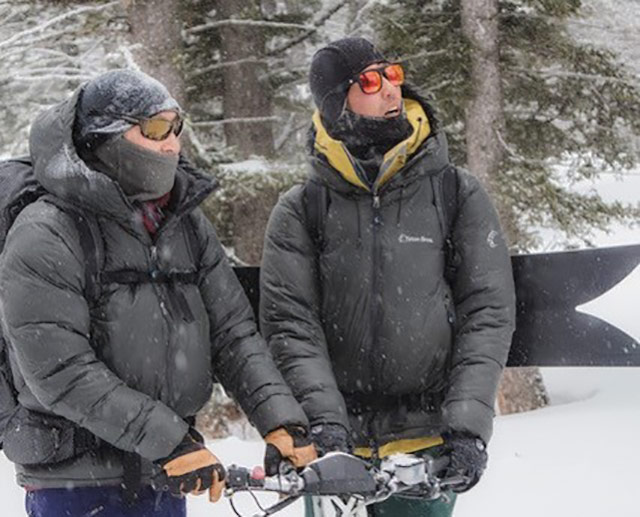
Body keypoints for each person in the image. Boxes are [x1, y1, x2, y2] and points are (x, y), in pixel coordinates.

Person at [0, 69, 316, 517]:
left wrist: (280, 420)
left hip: (166, 472)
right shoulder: (47, 231)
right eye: (154, 128)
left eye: (176, 126)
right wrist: (169, 440)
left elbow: (233, 335)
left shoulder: (184, 225)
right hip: (78, 484)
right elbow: (59, 371)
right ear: (103, 137)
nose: (172, 142)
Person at [260, 37, 516, 516]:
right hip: (335, 453)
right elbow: (291, 327)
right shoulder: (302, 209)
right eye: (371, 81)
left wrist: (465, 428)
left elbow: (488, 312)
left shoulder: (454, 192)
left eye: (392, 74)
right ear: (337, 101)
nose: (390, 90)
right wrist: (325, 426)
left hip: (425, 450)